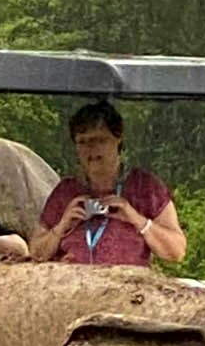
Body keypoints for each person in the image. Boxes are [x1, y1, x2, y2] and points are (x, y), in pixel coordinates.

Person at [28, 100, 186, 268]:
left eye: (100, 140)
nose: (91, 149)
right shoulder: (66, 191)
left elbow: (177, 252)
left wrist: (135, 218)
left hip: (126, 288)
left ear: (118, 140)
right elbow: (36, 253)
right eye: (82, 142)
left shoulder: (145, 187)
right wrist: (62, 225)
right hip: (72, 288)